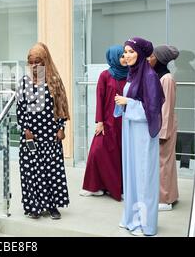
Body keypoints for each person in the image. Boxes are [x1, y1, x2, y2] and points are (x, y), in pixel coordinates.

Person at [114, 37, 165, 236]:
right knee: (132, 174)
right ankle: (131, 217)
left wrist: (129, 102)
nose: (126, 55)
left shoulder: (150, 76)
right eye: (125, 51)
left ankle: (145, 224)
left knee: (144, 176)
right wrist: (123, 102)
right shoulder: (133, 74)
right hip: (131, 130)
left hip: (143, 134)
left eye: (131, 51)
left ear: (141, 54)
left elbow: (153, 109)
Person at [16, 42, 70, 219]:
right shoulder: (23, 82)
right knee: (31, 171)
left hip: (50, 134)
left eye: (38, 62)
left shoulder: (54, 80)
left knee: (51, 170)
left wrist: (61, 127)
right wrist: (26, 129)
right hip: (30, 136)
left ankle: (52, 206)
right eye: (31, 62)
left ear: (45, 61)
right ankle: (34, 207)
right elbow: (20, 108)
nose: (34, 66)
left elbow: (61, 106)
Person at [80, 45, 128, 201]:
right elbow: (99, 99)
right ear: (114, 58)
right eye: (121, 56)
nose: (125, 58)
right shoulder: (105, 75)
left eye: (125, 55)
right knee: (97, 151)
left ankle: (118, 187)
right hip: (107, 122)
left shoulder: (131, 75)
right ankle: (94, 186)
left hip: (125, 123)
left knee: (119, 156)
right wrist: (99, 121)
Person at [149, 45, 180, 211]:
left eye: (152, 56)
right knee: (161, 162)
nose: (149, 59)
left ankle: (165, 200)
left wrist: (162, 132)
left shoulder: (167, 79)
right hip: (158, 125)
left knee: (164, 163)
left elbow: (167, 108)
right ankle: (166, 195)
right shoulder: (158, 75)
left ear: (160, 59)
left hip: (164, 127)